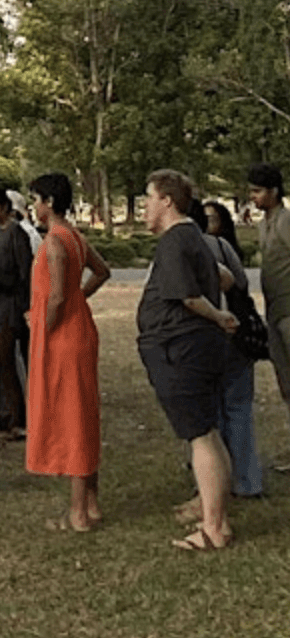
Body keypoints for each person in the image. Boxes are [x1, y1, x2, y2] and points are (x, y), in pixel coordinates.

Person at [137, 169, 237, 550]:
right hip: (190, 346)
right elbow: (223, 275)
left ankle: (213, 528)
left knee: (200, 436)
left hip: (181, 347)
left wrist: (218, 315)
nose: (145, 206)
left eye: (148, 197)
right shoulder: (191, 236)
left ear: (167, 200)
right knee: (207, 432)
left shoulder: (175, 240)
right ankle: (218, 522)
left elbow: (188, 297)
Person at [24, 174, 111, 531]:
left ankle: (77, 513)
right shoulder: (75, 236)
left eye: (36, 199)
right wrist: (79, 300)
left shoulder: (55, 242)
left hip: (62, 338)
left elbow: (58, 294)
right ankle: (90, 503)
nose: (34, 206)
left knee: (73, 417)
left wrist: (42, 323)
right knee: (84, 412)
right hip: (79, 331)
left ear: (48, 201)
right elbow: (101, 272)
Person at [187, 200, 263, 500]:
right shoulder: (220, 246)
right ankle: (247, 481)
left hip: (200, 341)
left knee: (209, 416)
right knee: (239, 409)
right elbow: (240, 283)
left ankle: (213, 481)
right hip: (234, 338)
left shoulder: (176, 250)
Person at [0, 186, 33, 440]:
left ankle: (16, 416)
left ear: (4, 209)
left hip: (11, 302)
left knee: (7, 359)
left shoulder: (16, 234)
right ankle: (4, 413)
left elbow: (25, 273)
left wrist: (24, 307)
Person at [247, 163, 290, 471]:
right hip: (273, 310)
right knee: (285, 383)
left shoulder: (287, 221)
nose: (253, 197)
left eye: (258, 191)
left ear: (274, 191)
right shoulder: (264, 224)